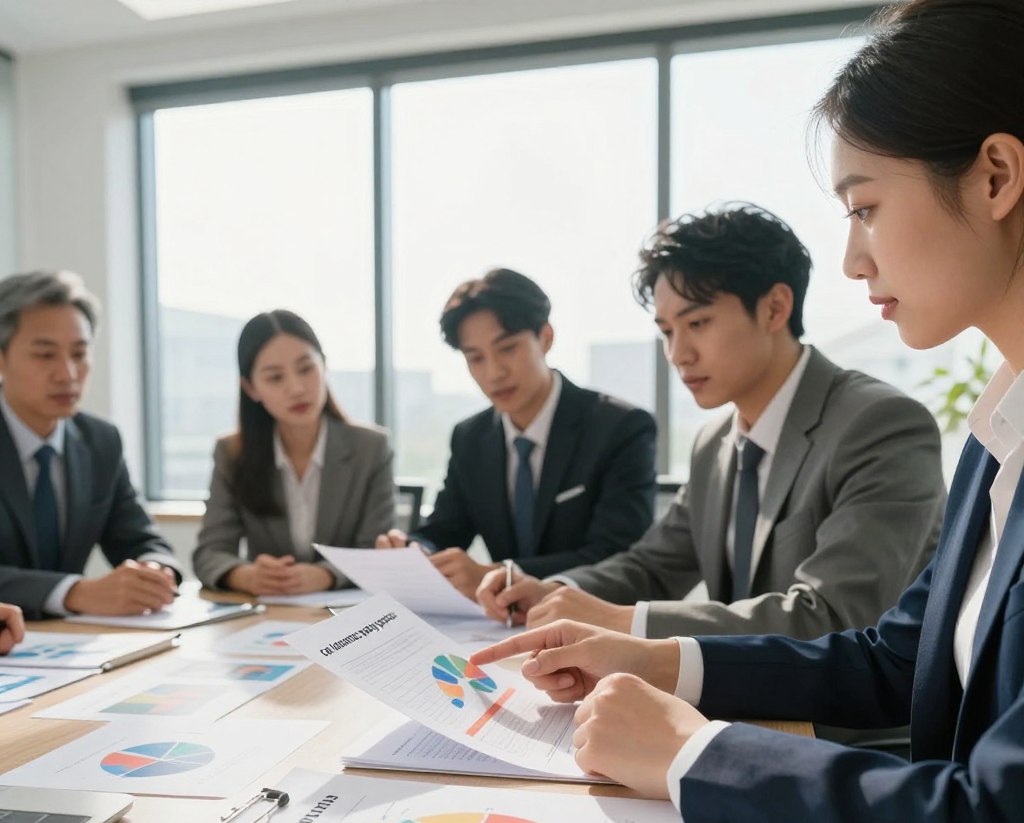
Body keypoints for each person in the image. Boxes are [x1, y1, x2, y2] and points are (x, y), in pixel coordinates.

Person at [472, 0, 1024, 823]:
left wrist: (690, 749)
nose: (854, 261)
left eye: (862, 206)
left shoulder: (893, 422)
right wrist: (645, 651)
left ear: (995, 175)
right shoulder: (999, 441)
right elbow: (890, 658)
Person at [478, 207, 945, 640]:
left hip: (845, 727)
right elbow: (653, 568)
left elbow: (833, 616)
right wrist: (555, 590)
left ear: (774, 308)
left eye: (697, 323)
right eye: (666, 331)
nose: (678, 354)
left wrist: (626, 621)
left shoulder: (879, 425)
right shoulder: (714, 443)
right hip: (741, 702)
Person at [376, 268, 657, 599]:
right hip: (500, 625)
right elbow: (446, 531)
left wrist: (500, 574)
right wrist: (414, 550)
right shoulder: (471, 437)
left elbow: (616, 555)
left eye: (507, 348)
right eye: (475, 358)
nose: (494, 372)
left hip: (594, 619)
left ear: (546, 337)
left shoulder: (619, 427)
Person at [0, 271, 181, 620]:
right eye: (45, 355)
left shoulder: (101, 441)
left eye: (80, 354)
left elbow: (141, 539)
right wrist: (74, 592)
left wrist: (155, 572)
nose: (68, 374)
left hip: (69, 648)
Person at [193, 310, 396, 595]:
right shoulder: (232, 454)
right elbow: (209, 553)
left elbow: (377, 553)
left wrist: (324, 575)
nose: (297, 388)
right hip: (270, 616)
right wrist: (246, 576)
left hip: (347, 618)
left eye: (306, 368)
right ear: (251, 388)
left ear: (324, 366)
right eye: (275, 378)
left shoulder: (371, 448)